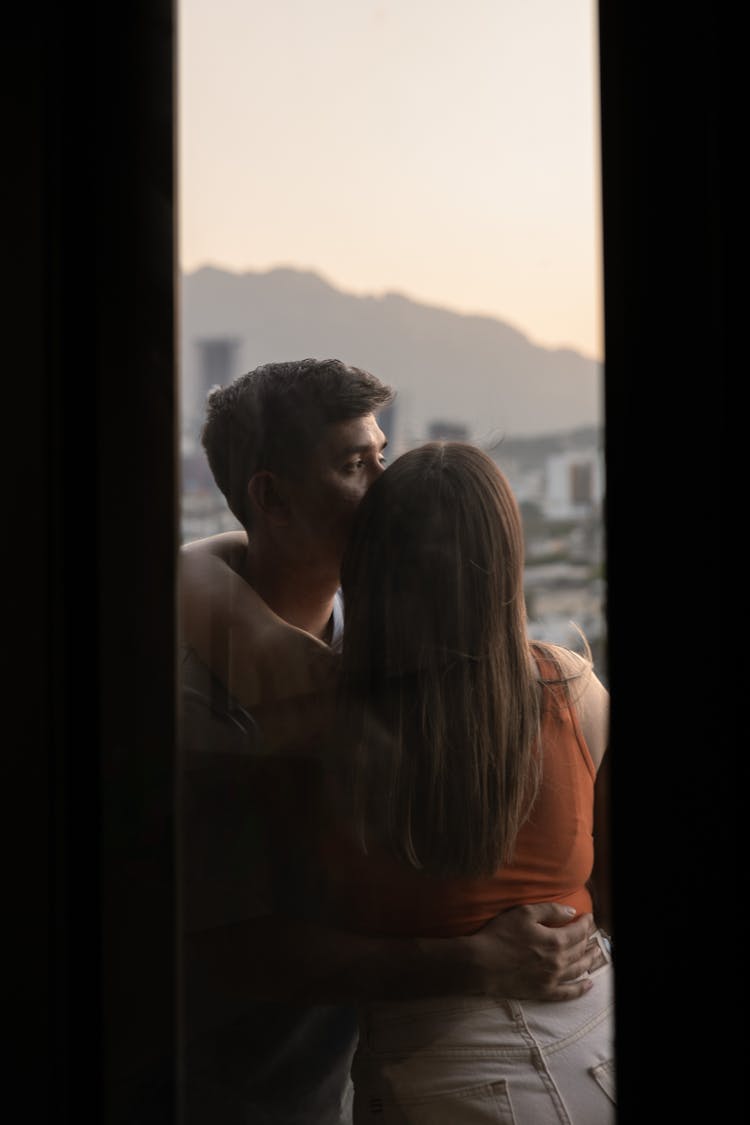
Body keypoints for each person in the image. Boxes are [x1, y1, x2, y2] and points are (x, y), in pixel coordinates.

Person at [178, 358, 607, 1125]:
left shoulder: (351, 672)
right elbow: (222, 945)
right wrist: (471, 959)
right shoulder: (202, 706)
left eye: (385, 454)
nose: (389, 483)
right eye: (356, 465)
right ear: (271, 497)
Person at [315, 441, 614, 1123]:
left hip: (443, 1079)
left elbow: (260, 952)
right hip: (593, 1044)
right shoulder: (573, 692)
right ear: (505, 564)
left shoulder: (318, 719)